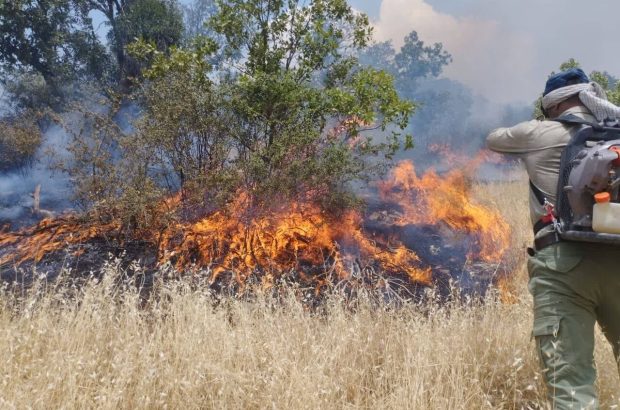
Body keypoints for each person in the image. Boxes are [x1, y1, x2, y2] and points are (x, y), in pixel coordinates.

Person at [487, 68, 620, 409]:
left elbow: (494, 138)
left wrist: (538, 122)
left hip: (563, 268)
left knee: (572, 385)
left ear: (553, 104)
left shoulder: (540, 132)